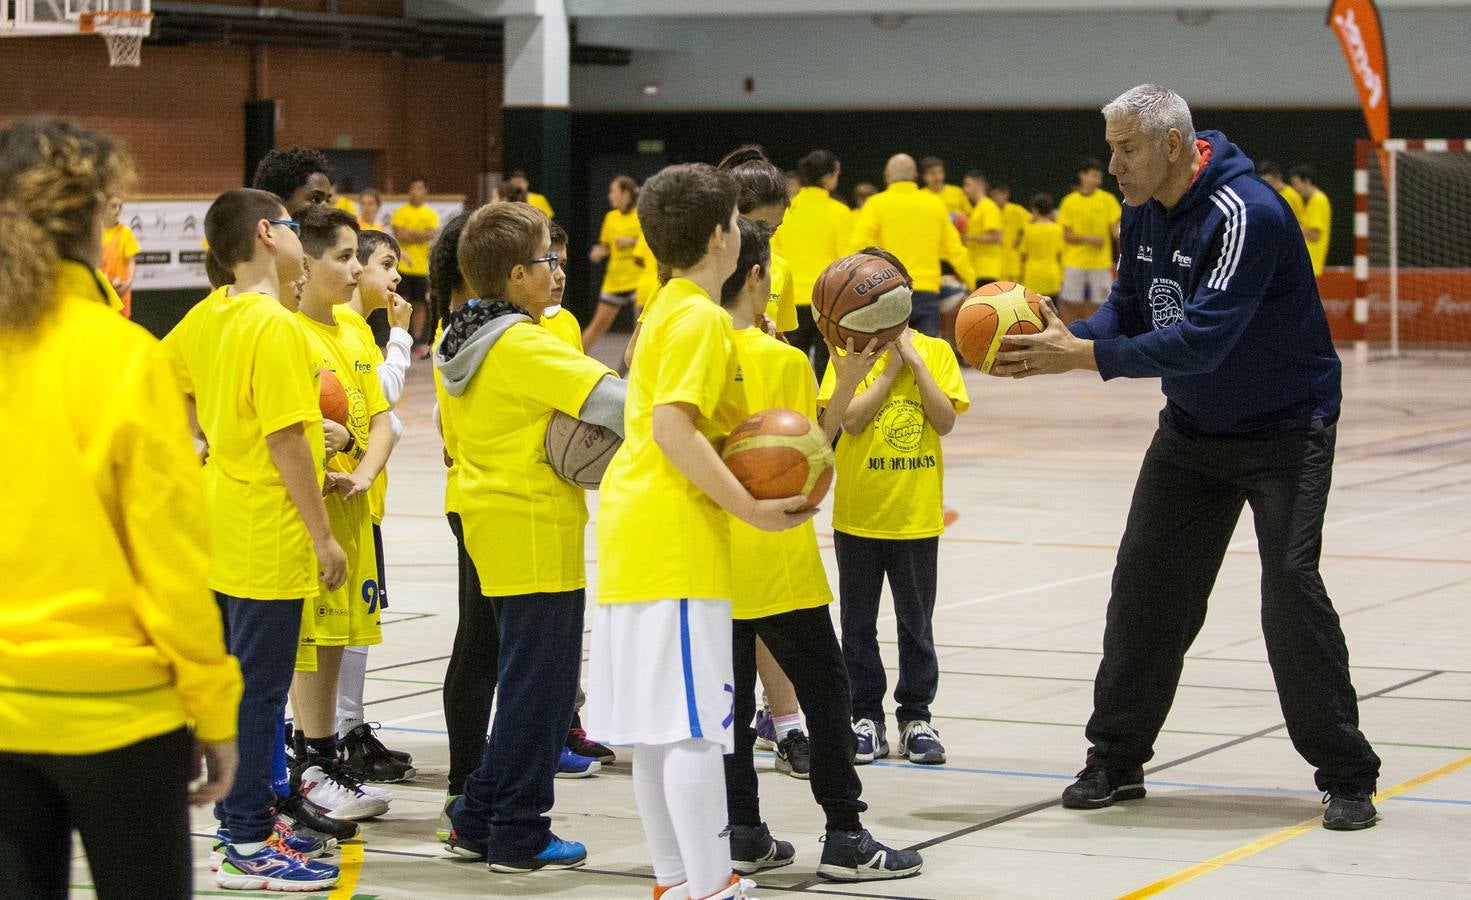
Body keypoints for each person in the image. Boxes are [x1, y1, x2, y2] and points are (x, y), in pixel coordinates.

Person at [993, 84, 1382, 832]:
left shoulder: (1250, 215)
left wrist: (1081, 359)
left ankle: (1346, 772)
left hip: (1286, 430)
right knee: (1144, 589)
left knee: (1289, 589)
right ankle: (1115, 757)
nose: (1112, 165)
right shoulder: (1138, 212)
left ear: (1172, 145)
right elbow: (1130, 310)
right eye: (1110, 147)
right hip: (1194, 431)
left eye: (1125, 148)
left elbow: (1202, 340)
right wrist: (1070, 331)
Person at [0, 116, 241, 900]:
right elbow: (171, 561)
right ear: (96, 218)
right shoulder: (123, 357)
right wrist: (212, 706)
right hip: (120, 718)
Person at [588, 163, 815, 900]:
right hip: (673, 533)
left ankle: (676, 881)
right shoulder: (698, 318)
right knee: (693, 729)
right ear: (722, 235)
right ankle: (713, 887)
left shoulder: (663, 307)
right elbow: (671, 428)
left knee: (661, 729)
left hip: (635, 531)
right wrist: (750, 509)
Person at [718, 218, 924, 883]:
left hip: (710, 551)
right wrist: (841, 385)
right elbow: (805, 453)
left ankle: (742, 830)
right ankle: (844, 835)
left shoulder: (689, 341)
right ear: (754, 277)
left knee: (729, 699)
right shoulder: (775, 357)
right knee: (827, 692)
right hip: (775, 550)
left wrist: (840, 379)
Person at [164, 186, 346, 891]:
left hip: (220, 525)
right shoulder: (272, 325)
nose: (303, 237)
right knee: (258, 695)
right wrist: (323, 536)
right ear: (269, 234)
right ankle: (243, 844)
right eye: (297, 226)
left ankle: (245, 821)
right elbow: (285, 442)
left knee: (239, 687)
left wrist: (202, 438)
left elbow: (163, 379)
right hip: (267, 533)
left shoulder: (211, 313)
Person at [439, 202, 626, 873]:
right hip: (537, 524)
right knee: (539, 694)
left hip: (488, 520)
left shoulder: (458, 337)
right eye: (547, 261)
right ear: (516, 274)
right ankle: (518, 830)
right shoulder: (523, 343)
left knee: (524, 682)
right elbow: (617, 405)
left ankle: (475, 816)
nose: (557, 272)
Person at [818, 247, 969, 770]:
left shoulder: (935, 351)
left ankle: (916, 717)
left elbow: (945, 420)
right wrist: (881, 374)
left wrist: (916, 362)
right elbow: (850, 422)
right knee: (857, 625)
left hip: (914, 517)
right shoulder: (849, 353)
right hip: (857, 516)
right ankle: (866, 719)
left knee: (916, 624)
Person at [286, 207, 398, 823]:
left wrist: (362, 472)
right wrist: (312, 445)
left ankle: (320, 758)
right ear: (306, 264)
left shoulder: (355, 332)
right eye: (344, 257)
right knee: (304, 645)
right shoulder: (285, 331)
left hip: (352, 510)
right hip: (307, 519)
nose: (356, 268)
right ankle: (308, 765)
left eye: (359, 256)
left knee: (333, 643)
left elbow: (381, 418)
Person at [333, 227, 417, 783]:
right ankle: (338, 733)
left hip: (366, 499)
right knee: (335, 631)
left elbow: (380, 411)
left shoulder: (360, 330)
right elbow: (383, 393)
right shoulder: (342, 328)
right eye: (386, 264)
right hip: (337, 499)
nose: (395, 276)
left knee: (359, 627)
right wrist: (403, 337)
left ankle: (348, 729)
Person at [847, 154, 973, 337]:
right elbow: (956, 250)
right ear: (915, 175)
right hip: (927, 291)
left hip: (888, 290)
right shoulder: (935, 204)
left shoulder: (876, 204)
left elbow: (857, 246)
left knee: (889, 356)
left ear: (887, 175)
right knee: (926, 357)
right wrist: (971, 282)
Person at [774, 148, 854, 377]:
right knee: (826, 369)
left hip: (791, 300)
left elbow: (774, 256)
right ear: (828, 177)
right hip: (827, 301)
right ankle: (823, 413)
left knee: (790, 367)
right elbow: (846, 261)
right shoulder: (840, 212)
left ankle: (788, 412)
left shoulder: (786, 210)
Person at [581, 175, 643, 352]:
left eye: (613, 191)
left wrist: (631, 242)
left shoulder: (641, 214)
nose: (610, 196)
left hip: (638, 280)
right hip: (615, 279)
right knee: (598, 325)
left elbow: (650, 242)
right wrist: (599, 251)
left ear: (625, 193)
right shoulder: (610, 217)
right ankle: (574, 357)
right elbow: (606, 245)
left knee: (641, 330)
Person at [1058, 158, 1122, 308]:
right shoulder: (1069, 201)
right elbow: (1067, 236)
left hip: (1101, 263)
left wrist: (1121, 236)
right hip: (1075, 262)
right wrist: (1089, 239)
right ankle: (1069, 331)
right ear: (1083, 175)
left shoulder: (1108, 200)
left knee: (1103, 305)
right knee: (1069, 304)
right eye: (1094, 176)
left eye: (1099, 177)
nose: (1097, 181)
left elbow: (1115, 229)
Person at [390, 176, 440, 356]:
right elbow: (400, 235)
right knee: (400, 301)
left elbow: (431, 234)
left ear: (425, 190)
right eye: (412, 188)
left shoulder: (431, 214)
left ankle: (418, 341)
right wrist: (420, 234)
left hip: (421, 268)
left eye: (419, 188)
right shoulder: (400, 212)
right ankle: (399, 335)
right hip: (402, 266)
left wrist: (411, 234)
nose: (414, 192)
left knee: (419, 305)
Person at [963, 171, 1006, 288]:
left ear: (979, 185)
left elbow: (996, 236)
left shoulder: (988, 207)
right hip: (977, 269)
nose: (965, 189)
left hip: (987, 270)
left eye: (968, 184)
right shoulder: (977, 209)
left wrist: (968, 237)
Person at [101, 194, 140, 317]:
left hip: (120, 295)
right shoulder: (95, 232)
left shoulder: (125, 232)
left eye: (120, 206)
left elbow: (131, 261)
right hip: (101, 294)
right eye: (113, 206)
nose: (117, 210)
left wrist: (127, 283)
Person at [1290, 164, 1331, 277]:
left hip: (1311, 264)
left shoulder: (1317, 201)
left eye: (1296, 184)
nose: (1295, 189)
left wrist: (1293, 224)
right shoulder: (1313, 201)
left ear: (1307, 181)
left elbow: (1314, 235)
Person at [1020, 193, 1065, 298]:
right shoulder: (1058, 229)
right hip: (1052, 276)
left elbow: (1023, 255)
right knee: (1052, 311)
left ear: (1035, 210)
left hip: (1032, 276)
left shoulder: (1028, 230)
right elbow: (1061, 255)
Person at [990, 180, 1031, 283]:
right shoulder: (990, 211)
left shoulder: (1016, 210)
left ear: (1005, 194)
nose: (994, 198)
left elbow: (1033, 222)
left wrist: (1020, 237)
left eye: (996, 195)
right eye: (992, 196)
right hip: (996, 264)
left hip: (1013, 262)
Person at [919, 156, 972, 222]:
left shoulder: (957, 192)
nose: (937, 177)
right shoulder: (919, 196)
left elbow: (970, 216)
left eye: (940, 172)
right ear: (924, 176)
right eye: (932, 173)